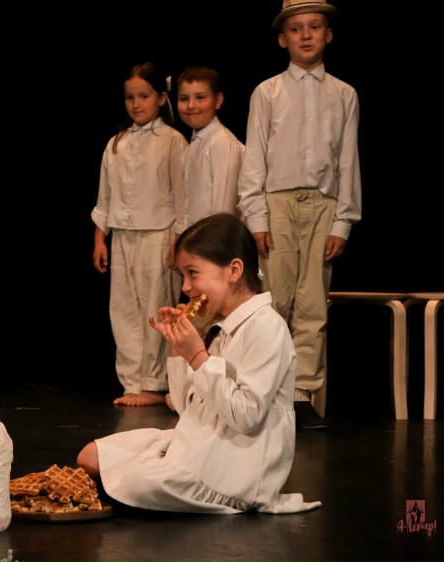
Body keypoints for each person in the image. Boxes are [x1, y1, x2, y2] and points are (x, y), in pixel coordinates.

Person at [77, 212, 321, 514]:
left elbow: (247, 416)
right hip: (203, 440)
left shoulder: (266, 327)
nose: (186, 287)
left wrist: (197, 357)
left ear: (233, 270)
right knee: (91, 456)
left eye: (193, 273)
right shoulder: (222, 330)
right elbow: (187, 408)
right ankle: (149, 472)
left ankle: (145, 480)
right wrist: (178, 351)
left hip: (235, 466)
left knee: (141, 480)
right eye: (183, 276)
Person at [237, 0, 362, 430]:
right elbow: (255, 158)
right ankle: (266, 389)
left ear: (328, 34)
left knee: (312, 303)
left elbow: (348, 160)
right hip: (278, 203)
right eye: (296, 29)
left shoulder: (344, 94)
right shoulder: (267, 92)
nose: (305, 35)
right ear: (282, 39)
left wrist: (343, 220)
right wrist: (256, 216)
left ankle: (302, 392)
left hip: (323, 205)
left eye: (314, 27)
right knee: (274, 299)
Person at [91, 62, 189, 407]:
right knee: (123, 310)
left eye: (144, 96)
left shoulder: (173, 141)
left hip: (158, 234)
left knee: (154, 307)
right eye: (130, 97)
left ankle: (155, 382)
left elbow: (182, 195)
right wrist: (100, 238)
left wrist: (178, 238)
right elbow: (105, 196)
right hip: (123, 234)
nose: (136, 104)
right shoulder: (116, 143)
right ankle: (132, 381)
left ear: (161, 98)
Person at [174, 64, 245, 348]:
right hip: (199, 252)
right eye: (184, 98)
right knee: (197, 325)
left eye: (200, 97)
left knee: (212, 325)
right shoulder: (194, 144)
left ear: (218, 100)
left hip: (215, 253)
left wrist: (212, 256)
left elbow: (223, 209)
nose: (191, 105)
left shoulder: (221, 143)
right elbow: (188, 201)